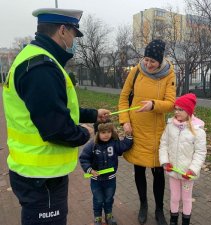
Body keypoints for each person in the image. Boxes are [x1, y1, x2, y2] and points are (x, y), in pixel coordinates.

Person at [2, 8, 110, 225]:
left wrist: (93, 115)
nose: (74, 41)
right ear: (62, 30)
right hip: (41, 177)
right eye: (73, 34)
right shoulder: (42, 67)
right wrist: (83, 133)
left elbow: (55, 108)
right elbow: (56, 128)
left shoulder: (38, 59)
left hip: (37, 172)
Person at [118, 39, 176, 225]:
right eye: (146, 59)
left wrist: (153, 105)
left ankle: (159, 209)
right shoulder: (136, 71)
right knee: (139, 169)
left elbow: (171, 103)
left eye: (153, 61)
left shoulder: (169, 75)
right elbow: (123, 98)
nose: (148, 64)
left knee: (158, 173)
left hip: (157, 133)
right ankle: (143, 204)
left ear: (160, 60)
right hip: (136, 129)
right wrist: (125, 121)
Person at [159, 93, 207, 225]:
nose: (177, 112)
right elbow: (163, 144)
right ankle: (173, 221)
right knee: (174, 197)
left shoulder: (198, 131)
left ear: (189, 111)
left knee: (186, 199)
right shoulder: (170, 126)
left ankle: (186, 221)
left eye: (181, 109)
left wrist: (192, 170)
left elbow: (200, 153)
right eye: (176, 108)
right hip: (173, 171)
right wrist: (165, 161)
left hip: (187, 174)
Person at [79, 120, 133, 225]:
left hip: (110, 180)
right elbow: (83, 159)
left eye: (108, 132)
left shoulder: (114, 143)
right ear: (97, 133)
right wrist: (90, 170)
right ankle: (98, 218)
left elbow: (124, 146)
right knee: (98, 199)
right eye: (103, 132)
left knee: (109, 198)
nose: (106, 135)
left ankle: (109, 215)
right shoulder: (92, 146)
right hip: (96, 180)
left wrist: (129, 135)